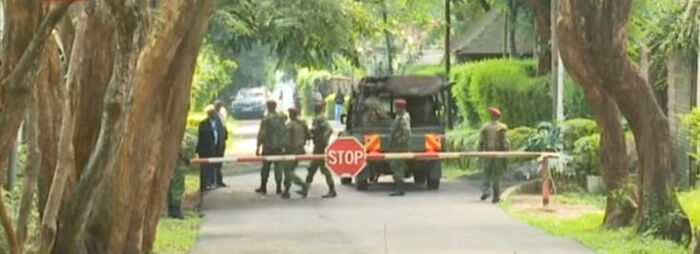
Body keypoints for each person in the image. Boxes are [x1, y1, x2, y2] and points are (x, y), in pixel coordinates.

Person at [255, 100, 287, 194]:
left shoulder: (265, 119)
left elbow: (262, 134)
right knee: (278, 167)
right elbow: (284, 132)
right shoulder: (281, 118)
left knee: (265, 167)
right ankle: (278, 187)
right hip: (278, 146)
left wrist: (258, 146)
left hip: (268, 146)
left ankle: (263, 186)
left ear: (268, 107)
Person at [478, 107, 509, 203]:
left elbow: (481, 142)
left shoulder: (485, 127)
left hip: (487, 153)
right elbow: (506, 143)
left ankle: (486, 191)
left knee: (486, 173)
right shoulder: (503, 128)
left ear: (491, 116)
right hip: (499, 155)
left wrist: (479, 153)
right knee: (496, 176)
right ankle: (496, 196)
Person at [306, 102, 337, 198]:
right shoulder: (318, 117)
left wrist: (324, 139)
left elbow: (329, 129)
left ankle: (332, 189)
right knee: (312, 169)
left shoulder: (321, 118)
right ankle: (305, 189)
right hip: (318, 146)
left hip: (321, 147)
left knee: (324, 169)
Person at [281, 108, 310, 199]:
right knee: (290, 170)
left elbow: (286, 140)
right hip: (300, 150)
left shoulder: (289, 125)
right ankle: (286, 191)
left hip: (291, 150)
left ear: (291, 115)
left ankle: (303, 185)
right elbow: (308, 136)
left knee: (288, 171)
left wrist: (283, 149)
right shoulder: (302, 124)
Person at [196, 107, 226, 191]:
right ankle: (205, 184)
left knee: (216, 166)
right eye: (211, 113)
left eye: (214, 113)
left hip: (217, 148)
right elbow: (203, 138)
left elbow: (223, 132)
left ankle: (216, 182)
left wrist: (222, 143)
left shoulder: (218, 122)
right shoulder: (203, 124)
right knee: (206, 168)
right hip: (206, 150)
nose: (213, 115)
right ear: (208, 115)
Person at [389, 99, 411, 197]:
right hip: (398, 145)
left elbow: (406, 132)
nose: (395, 108)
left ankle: (400, 189)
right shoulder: (400, 116)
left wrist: (400, 141)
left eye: (397, 107)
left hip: (400, 146)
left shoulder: (403, 117)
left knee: (397, 166)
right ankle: (399, 188)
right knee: (396, 166)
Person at [167, 148, 189, 219]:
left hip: (172, 158)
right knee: (177, 183)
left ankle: (173, 208)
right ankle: (175, 208)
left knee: (174, 184)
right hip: (175, 159)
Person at [211, 101, 229, 187]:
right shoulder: (213, 116)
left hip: (222, 142)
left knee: (219, 163)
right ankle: (215, 181)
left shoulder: (221, 116)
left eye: (219, 106)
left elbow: (223, 128)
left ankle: (219, 180)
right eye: (217, 105)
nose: (218, 107)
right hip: (217, 143)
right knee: (215, 163)